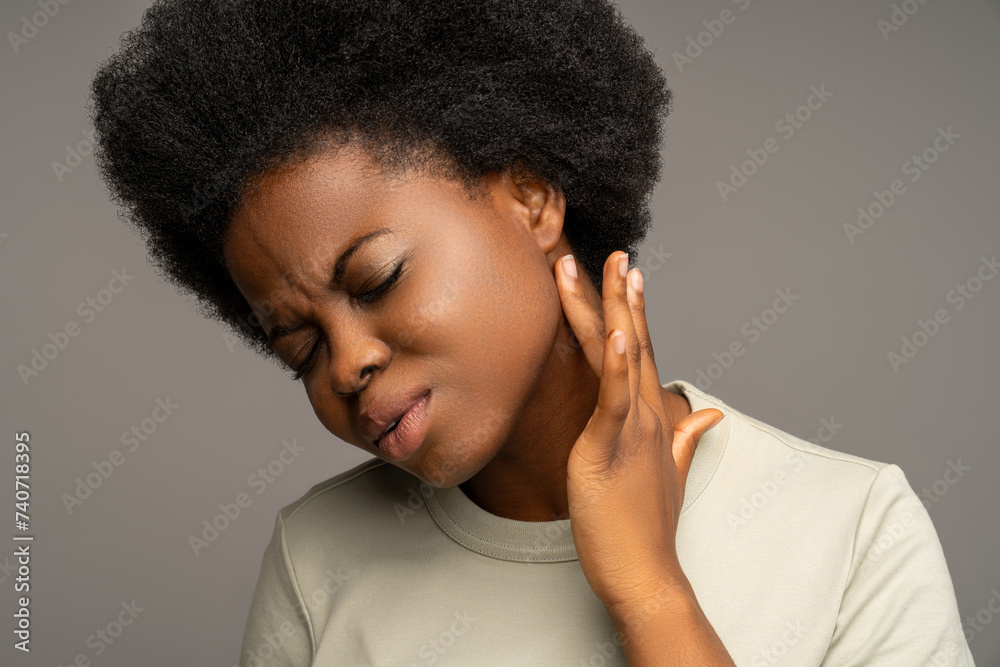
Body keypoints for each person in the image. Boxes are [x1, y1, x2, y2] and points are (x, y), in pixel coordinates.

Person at [89, 1, 974, 664]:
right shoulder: (317, 561)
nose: (349, 362)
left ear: (533, 197)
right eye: (300, 347)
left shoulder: (852, 529)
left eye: (377, 279)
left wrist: (652, 594)